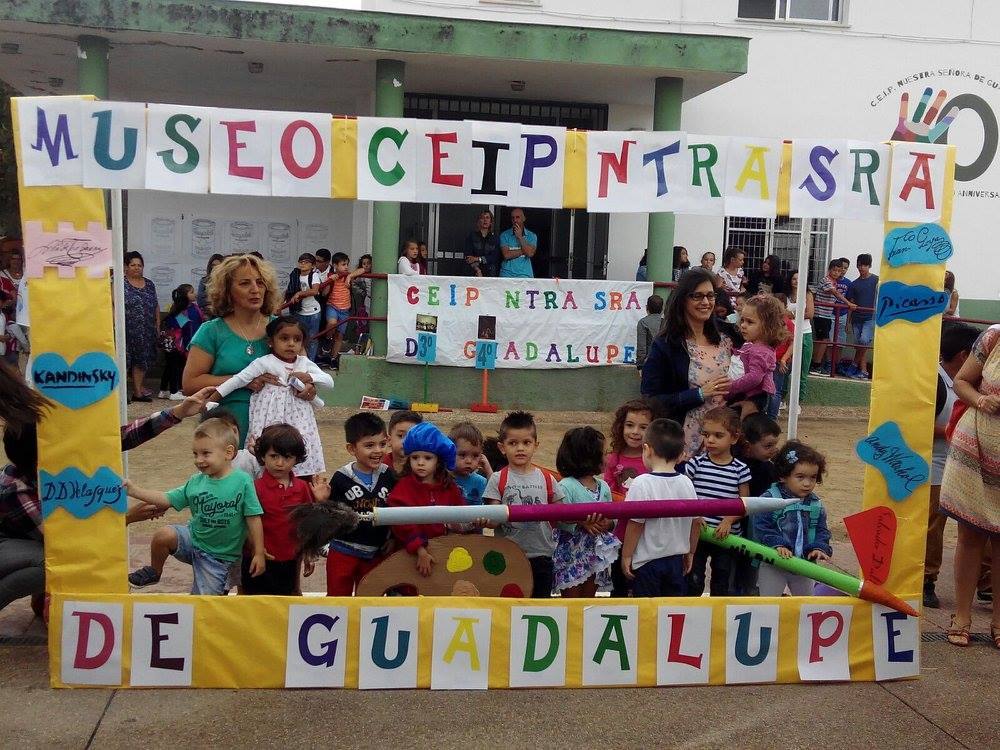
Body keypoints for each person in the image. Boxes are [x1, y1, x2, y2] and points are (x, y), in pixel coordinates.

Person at [0, 385, 214, 612]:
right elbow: (65, 541)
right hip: (10, 545)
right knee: (54, 563)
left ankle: (44, 597)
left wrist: (178, 411)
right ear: (40, 457)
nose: (66, 443)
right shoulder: (16, 491)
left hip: (33, 540)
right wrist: (125, 518)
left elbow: (118, 438)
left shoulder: (57, 460)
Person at [184, 254, 316, 448]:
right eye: (245, 283)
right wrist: (244, 380)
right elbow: (190, 384)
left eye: (260, 283)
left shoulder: (283, 330)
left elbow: (306, 372)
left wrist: (310, 388)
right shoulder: (211, 331)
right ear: (227, 290)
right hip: (226, 432)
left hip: (277, 438)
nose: (255, 290)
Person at [126, 418, 265, 594]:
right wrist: (134, 490)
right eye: (195, 454)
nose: (198, 460)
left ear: (228, 453)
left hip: (219, 558)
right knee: (163, 535)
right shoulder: (195, 482)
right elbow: (166, 498)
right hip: (193, 540)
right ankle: (155, 571)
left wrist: (259, 552)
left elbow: (253, 518)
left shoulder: (243, 481)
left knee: (204, 605)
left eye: (206, 453)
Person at [940, 324, 1000, 647]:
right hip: (974, 445)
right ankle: (961, 615)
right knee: (970, 533)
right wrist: (979, 400)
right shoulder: (993, 337)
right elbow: (961, 381)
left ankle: (999, 621)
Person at [213, 316, 333, 477]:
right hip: (269, 420)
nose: (291, 343)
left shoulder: (305, 364)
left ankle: (300, 485)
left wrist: (310, 377)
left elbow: (329, 381)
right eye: (284, 338)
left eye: (297, 339)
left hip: (300, 422)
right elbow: (238, 380)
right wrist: (212, 398)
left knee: (298, 450)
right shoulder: (264, 363)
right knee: (268, 452)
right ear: (271, 341)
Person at [295, 412, 397, 596]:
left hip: (375, 552)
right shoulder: (342, 478)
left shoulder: (390, 476)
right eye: (369, 445)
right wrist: (322, 500)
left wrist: (392, 538)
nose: (378, 450)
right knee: (337, 599)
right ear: (351, 449)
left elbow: (397, 510)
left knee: (369, 599)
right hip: (343, 551)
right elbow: (329, 518)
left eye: (382, 444)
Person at [641, 268, 734, 459]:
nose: (706, 302)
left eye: (710, 295)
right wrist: (698, 394)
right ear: (683, 300)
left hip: (724, 448)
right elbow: (651, 399)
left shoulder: (728, 338)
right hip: (682, 448)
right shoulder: (666, 345)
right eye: (697, 296)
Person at [924, 323, 981, 608]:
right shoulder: (934, 381)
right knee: (933, 526)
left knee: (979, 523)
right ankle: (926, 579)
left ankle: (984, 581)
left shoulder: (970, 382)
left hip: (964, 465)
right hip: (934, 466)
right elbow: (917, 425)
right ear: (963, 356)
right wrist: (956, 430)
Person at [484, 411, 565, 597]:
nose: (520, 448)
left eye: (526, 443)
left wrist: (586, 520)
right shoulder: (498, 479)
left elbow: (562, 513)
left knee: (539, 605)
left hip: (542, 555)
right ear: (502, 447)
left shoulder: (548, 479)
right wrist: (483, 520)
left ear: (535, 445)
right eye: (513, 443)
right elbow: (494, 520)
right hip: (509, 555)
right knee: (510, 607)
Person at [243, 424, 328, 595]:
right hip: (258, 558)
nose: (279, 463)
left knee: (286, 605)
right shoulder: (253, 488)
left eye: (287, 457)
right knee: (254, 605)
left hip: (290, 560)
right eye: (273, 456)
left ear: (296, 459)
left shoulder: (303, 488)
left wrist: (308, 554)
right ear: (262, 456)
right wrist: (255, 548)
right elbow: (245, 523)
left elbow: (307, 525)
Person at [621, 419, 700, 597]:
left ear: (647, 450)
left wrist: (626, 555)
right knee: (671, 613)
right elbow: (696, 523)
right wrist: (691, 552)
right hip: (676, 561)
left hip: (648, 563)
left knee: (648, 614)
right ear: (681, 455)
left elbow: (635, 524)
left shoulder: (641, 483)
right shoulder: (686, 482)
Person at [684, 406, 752, 596]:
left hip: (726, 536)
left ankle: (717, 620)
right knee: (693, 579)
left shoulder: (740, 469)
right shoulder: (695, 463)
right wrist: (696, 516)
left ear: (735, 437)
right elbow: (686, 494)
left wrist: (729, 520)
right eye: (706, 434)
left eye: (718, 435)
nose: (710, 440)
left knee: (722, 580)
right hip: (698, 533)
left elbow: (744, 503)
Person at [387, 422, 466, 577]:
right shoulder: (404, 487)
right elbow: (401, 522)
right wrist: (420, 549)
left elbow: (461, 513)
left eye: (428, 458)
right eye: (415, 457)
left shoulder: (448, 486)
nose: (420, 462)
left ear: (438, 461)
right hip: (409, 554)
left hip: (444, 551)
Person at [753, 441, 832, 596]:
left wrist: (819, 547)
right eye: (800, 477)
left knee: (805, 606)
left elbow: (822, 531)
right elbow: (761, 528)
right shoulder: (770, 499)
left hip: (804, 565)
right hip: (774, 564)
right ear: (783, 476)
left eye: (813, 477)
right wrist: (777, 544)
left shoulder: (816, 505)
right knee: (768, 606)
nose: (807, 483)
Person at [552, 427, 619, 598]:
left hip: (595, 554)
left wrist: (608, 523)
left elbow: (612, 515)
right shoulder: (566, 486)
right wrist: (580, 522)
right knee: (572, 601)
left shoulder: (603, 487)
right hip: (572, 556)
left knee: (588, 600)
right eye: (604, 453)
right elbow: (558, 518)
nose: (608, 457)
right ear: (589, 456)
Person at [604, 398, 658, 597]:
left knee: (644, 584)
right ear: (621, 426)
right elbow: (607, 492)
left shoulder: (655, 460)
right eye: (629, 425)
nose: (635, 432)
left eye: (643, 427)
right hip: (621, 533)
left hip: (648, 533)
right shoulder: (613, 458)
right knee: (619, 581)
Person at [727, 294, 789, 417]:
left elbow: (755, 377)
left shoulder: (760, 350)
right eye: (742, 320)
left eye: (750, 322)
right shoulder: (754, 345)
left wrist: (730, 388)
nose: (743, 325)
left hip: (749, 398)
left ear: (768, 327)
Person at [123, 251, 160, 402]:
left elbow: (156, 305)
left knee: (141, 361)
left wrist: (157, 324)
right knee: (124, 361)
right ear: (126, 266)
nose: (137, 268)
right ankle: (122, 394)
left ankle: (138, 392)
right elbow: (112, 304)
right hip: (126, 330)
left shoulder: (149, 284)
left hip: (146, 331)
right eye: (133, 265)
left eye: (139, 265)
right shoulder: (119, 282)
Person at [158, 284, 203, 400]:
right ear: (184, 296)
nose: (195, 294)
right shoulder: (179, 311)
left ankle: (163, 390)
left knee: (171, 366)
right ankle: (173, 391)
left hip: (184, 343)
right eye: (191, 292)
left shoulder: (194, 307)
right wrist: (188, 345)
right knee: (174, 367)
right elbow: (186, 329)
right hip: (177, 345)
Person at [810, 259, 855, 375]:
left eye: (839, 271)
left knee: (823, 340)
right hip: (821, 314)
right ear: (829, 270)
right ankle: (816, 365)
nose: (836, 273)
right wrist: (848, 303)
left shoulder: (834, 281)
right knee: (823, 340)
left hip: (827, 315)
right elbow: (835, 293)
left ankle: (816, 364)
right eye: (834, 270)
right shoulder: (826, 280)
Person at [324, 251, 365, 370]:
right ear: (335, 265)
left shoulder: (349, 275)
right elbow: (324, 293)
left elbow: (363, 270)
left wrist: (350, 276)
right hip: (333, 306)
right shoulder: (331, 276)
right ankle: (327, 340)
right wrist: (330, 280)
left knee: (339, 337)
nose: (346, 267)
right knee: (332, 323)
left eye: (347, 264)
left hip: (345, 310)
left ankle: (333, 358)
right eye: (343, 264)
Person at [843, 253, 878, 379]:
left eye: (864, 265)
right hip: (856, 319)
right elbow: (851, 303)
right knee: (859, 345)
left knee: (863, 341)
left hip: (870, 317)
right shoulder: (854, 284)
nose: (861, 268)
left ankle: (853, 365)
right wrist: (848, 321)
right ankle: (863, 371)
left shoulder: (877, 280)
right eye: (859, 265)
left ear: (869, 266)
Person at [285, 253, 323, 361]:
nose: (303, 264)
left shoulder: (313, 275)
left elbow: (315, 290)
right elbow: (289, 291)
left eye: (306, 262)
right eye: (301, 262)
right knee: (299, 337)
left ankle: (310, 362)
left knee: (312, 338)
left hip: (313, 311)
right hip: (299, 311)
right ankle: (299, 360)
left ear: (312, 265)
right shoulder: (295, 275)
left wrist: (299, 294)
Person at [787, 269, 814, 404]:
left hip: (805, 333)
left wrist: (791, 315)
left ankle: (798, 401)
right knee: (785, 369)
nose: (796, 282)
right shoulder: (785, 295)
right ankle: (782, 399)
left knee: (803, 370)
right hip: (788, 334)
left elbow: (810, 314)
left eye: (799, 279)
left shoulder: (807, 294)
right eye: (794, 279)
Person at [449, 422, 491, 508]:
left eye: (475, 456)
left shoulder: (481, 482)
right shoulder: (442, 479)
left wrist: (488, 470)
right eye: (462, 455)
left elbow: (494, 500)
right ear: (450, 453)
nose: (469, 461)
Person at [740, 413, 782, 497]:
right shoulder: (737, 467)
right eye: (768, 446)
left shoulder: (769, 468)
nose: (774, 450)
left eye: (775, 445)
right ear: (748, 445)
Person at [767, 292, 795, 419]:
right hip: (771, 360)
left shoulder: (787, 323)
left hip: (777, 360)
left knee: (775, 391)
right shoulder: (769, 321)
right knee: (773, 390)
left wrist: (784, 359)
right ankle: (770, 418)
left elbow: (792, 343)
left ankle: (771, 418)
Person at [499, 208, 538, 279]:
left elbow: (530, 254)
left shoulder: (532, 235)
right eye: (512, 218)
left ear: (524, 218)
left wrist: (520, 237)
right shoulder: (504, 235)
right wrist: (525, 250)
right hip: (507, 274)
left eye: (517, 217)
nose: (515, 220)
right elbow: (506, 255)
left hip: (525, 274)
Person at [0, 249, 22, 368]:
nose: (16, 262)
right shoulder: (2, 276)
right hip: (8, 313)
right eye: (13, 259)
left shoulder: (27, 274)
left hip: (24, 312)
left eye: (18, 259)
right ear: (9, 260)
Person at [384, 410, 423, 474]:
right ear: (389, 440)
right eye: (401, 436)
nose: (407, 441)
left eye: (413, 437)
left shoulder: (423, 467)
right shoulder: (379, 465)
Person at [464, 210, 499, 277]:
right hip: (473, 273)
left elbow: (494, 257)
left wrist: (477, 259)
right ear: (479, 221)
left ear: (491, 222)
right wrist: (478, 270)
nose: (485, 220)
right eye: (482, 218)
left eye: (487, 218)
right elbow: (468, 257)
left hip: (490, 273)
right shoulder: (471, 236)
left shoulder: (495, 238)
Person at [635, 294, 664, 370]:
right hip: (665, 363)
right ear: (662, 309)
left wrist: (640, 366)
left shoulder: (643, 322)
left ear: (647, 308)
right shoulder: (667, 323)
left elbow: (642, 347)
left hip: (650, 363)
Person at [352, 254, 373, 340]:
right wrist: (362, 292)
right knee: (366, 319)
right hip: (367, 299)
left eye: (368, 263)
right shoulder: (361, 277)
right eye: (364, 264)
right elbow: (353, 283)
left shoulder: (374, 273)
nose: (366, 265)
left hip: (377, 299)